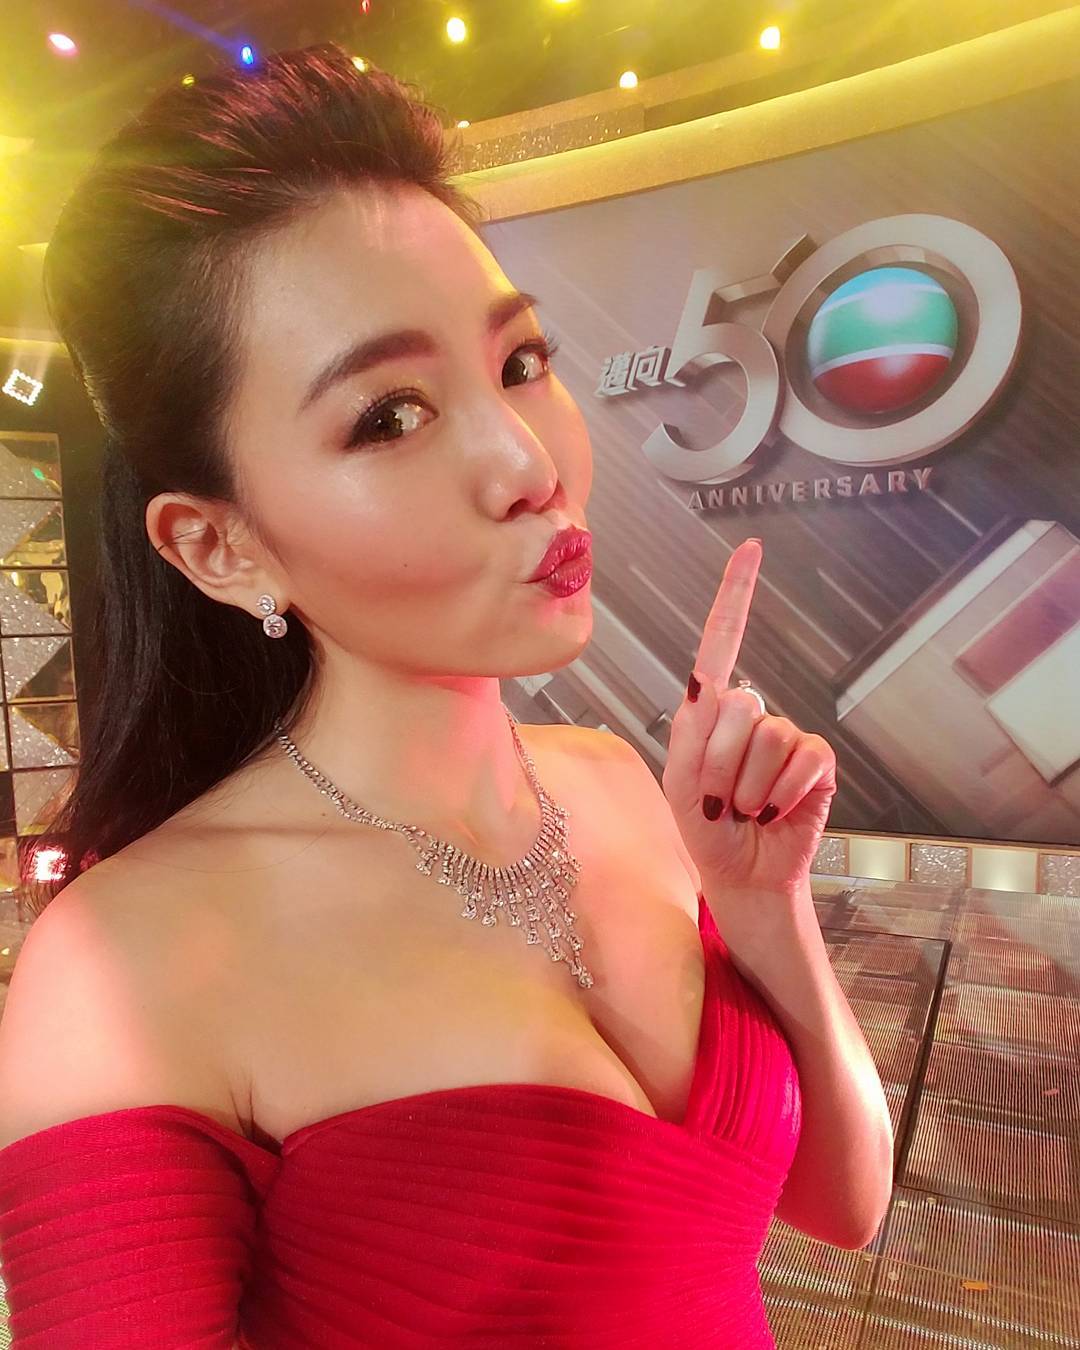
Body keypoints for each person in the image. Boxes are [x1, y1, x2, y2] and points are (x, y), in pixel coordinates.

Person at [0, 44, 893, 1348]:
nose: (528, 463)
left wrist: (766, 907)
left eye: (521, 360)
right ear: (219, 545)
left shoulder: (617, 783)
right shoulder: (123, 961)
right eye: (390, 416)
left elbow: (842, 1203)